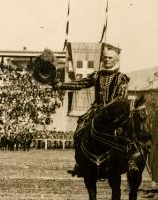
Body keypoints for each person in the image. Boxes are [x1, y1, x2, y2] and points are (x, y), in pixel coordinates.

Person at [51, 45, 136, 177]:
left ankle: (130, 161)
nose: (107, 60)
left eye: (110, 58)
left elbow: (121, 98)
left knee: (128, 133)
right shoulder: (97, 75)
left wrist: (108, 109)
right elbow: (80, 84)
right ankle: (80, 163)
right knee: (79, 131)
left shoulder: (121, 78)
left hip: (115, 113)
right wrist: (61, 85)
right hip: (96, 111)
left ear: (116, 60)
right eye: (105, 57)